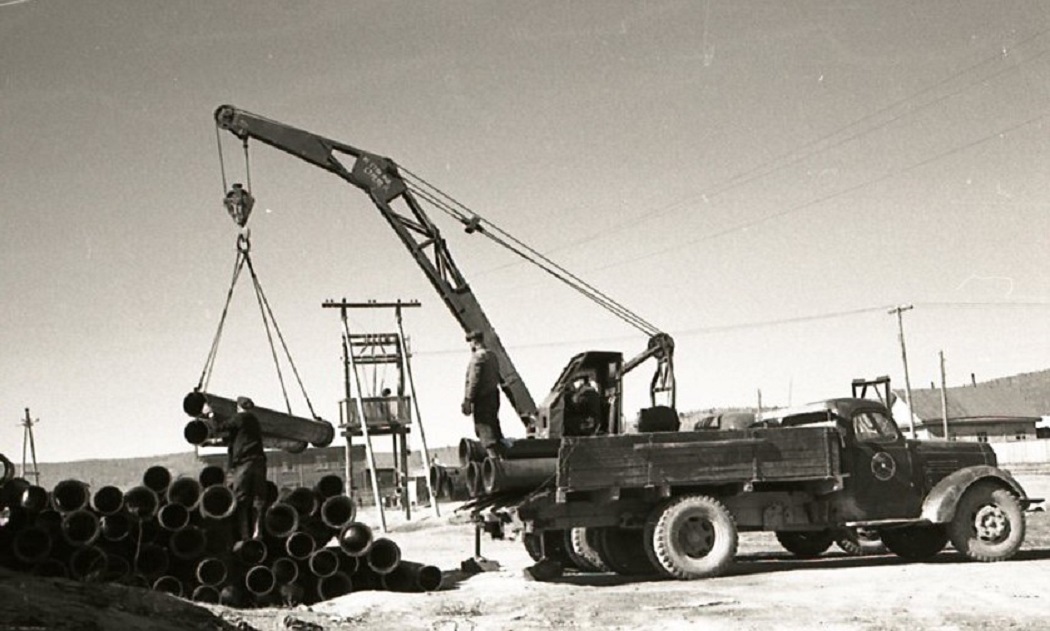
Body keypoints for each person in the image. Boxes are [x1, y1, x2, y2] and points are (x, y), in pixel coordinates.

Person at [215, 396, 267, 541]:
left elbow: (220, 428)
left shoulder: (240, 418)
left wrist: (211, 415)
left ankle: (244, 534)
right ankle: (257, 533)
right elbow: (236, 437)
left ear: (238, 407)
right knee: (258, 499)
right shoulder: (254, 421)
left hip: (244, 463)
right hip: (259, 461)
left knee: (241, 499)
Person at [461, 330, 504, 458]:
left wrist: (468, 399)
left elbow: (474, 380)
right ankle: (502, 458)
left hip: (482, 399)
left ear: (474, 342)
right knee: (494, 428)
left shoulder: (477, 358)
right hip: (493, 396)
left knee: (484, 430)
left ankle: (494, 462)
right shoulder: (492, 356)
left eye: (471, 343)